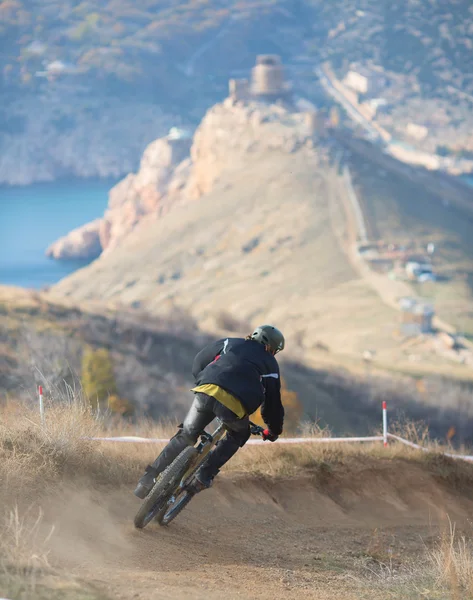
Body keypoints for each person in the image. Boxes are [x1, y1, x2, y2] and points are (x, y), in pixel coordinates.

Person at [134, 325, 285, 499]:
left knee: (186, 435)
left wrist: (203, 381)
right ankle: (204, 475)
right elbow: (273, 404)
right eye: (274, 350)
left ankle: (147, 480)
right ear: (268, 347)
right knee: (238, 434)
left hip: (206, 389)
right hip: (234, 405)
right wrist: (273, 431)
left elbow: (199, 361)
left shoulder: (229, 342)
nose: (273, 354)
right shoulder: (271, 365)